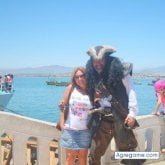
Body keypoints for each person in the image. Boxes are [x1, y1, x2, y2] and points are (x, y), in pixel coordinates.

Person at [85, 45, 143, 165]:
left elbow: (131, 91)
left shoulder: (122, 72)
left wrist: (132, 114)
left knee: (129, 155)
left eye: (101, 60)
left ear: (107, 59)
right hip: (103, 120)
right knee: (94, 154)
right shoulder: (93, 76)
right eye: (95, 61)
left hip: (122, 119)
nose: (98, 63)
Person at [59, 67, 92, 165]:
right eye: (77, 77)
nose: (79, 79)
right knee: (70, 158)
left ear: (87, 76)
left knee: (83, 158)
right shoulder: (71, 88)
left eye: (82, 76)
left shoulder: (92, 91)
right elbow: (63, 106)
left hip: (85, 130)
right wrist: (62, 124)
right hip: (70, 129)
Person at [152, 79, 165, 153]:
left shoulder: (159, 92)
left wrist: (155, 112)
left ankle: (163, 148)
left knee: (163, 132)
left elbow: (159, 102)